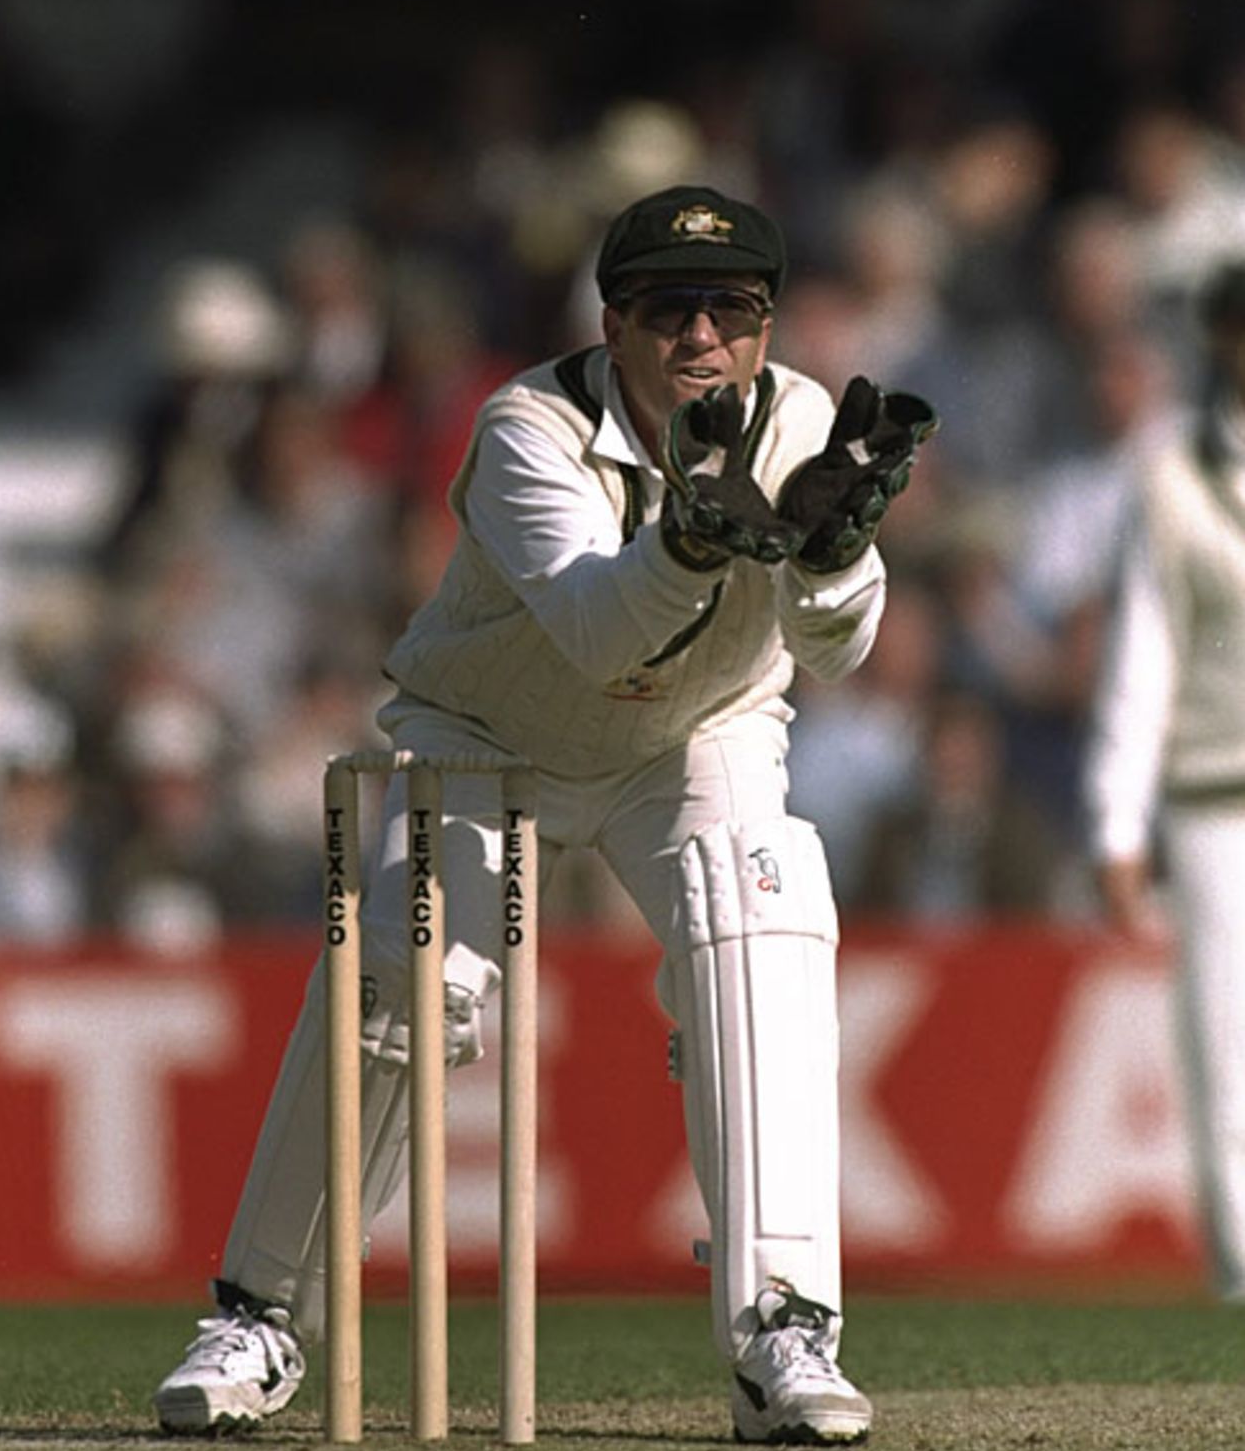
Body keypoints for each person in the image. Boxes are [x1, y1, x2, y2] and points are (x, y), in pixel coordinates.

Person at [152, 185, 936, 1445]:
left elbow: (833, 657)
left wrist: (836, 554)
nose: (700, 339)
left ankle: (782, 1331)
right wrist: (686, 542)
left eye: (730, 311)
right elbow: (592, 638)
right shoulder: (529, 425)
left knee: (761, 918)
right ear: (613, 323)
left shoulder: (798, 420)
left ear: (766, 323)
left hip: (697, 734)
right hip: (490, 734)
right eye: (669, 310)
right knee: (403, 981)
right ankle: (260, 1318)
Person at [1085, 257, 1245, 1302]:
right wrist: (1115, 821)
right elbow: (1140, 654)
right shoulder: (1171, 471)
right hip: (1212, 800)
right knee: (1225, 1059)